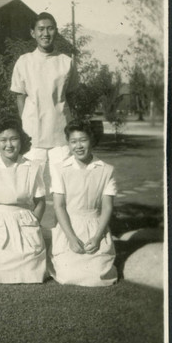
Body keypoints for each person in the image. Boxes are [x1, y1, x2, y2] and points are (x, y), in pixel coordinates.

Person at [10, 12, 78, 186]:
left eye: (50, 28)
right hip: (33, 133)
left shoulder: (66, 62)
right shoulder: (24, 62)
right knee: (31, 186)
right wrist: (25, 127)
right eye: (41, 29)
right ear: (33, 33)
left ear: (56, 31)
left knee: (63, 185)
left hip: (61, 133)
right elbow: (20, 98)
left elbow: (71, 95)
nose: (45, 34)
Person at [0, 116, 46, 283]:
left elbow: (41, 202)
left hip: (24, 224)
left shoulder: (32, 167)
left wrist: (33, 223)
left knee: (30, 270)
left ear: (21, 140)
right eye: (3, 140)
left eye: (14, 139)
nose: (9, 145)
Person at [49, 120, 117, 287]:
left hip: (95, 228)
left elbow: (107, 206)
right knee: (68, 275)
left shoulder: (107, 170)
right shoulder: (60, 169)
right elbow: (59, 206)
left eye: (83, 140)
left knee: (97, 275)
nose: (78, 146)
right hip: (68, 228)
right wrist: (71, 239)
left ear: (92, 141)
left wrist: (97, 236)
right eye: (73, 141)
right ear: (68, 144)